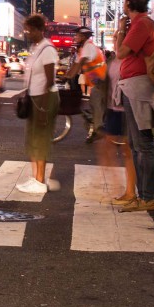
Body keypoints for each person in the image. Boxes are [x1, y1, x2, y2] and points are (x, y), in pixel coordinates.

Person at [114, 0, 154, 213]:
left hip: (139, 87)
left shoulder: (142, 24)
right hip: (132, 86)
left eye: (124, 0)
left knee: (143, 143)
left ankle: (148, 197)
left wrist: (122, 30)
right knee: (135, 144)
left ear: (130, 3)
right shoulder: (140, 23)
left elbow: (121, 53)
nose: (123, 4)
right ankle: (142, 195)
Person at [16, 13, 60, 195]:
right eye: (27, 30)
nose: (27, 33)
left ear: (39, 30)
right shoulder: (36, 48)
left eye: (30, 30)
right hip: (35, 98)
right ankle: (35, 178)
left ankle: (40, 180)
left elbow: (49, 80)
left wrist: (42, 108)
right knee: (32, 140)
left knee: (40, 140)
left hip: (45, 99)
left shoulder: (47, 49)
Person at [100, 51, 138, 206]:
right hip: (112, 107)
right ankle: (116, 183)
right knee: (108, 144)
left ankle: (130, 191)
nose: (117, 40)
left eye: (119, 36)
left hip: (127, 108)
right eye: (115, 37)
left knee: (128, 150)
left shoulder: (132, 59)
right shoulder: (111, 60)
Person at [67, 26, 107, 143]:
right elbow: (75, 65)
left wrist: (70, 75)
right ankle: (95, 129)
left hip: (102, 79)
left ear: (83, 37)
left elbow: (81, 62)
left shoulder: (88, 46)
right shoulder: (82, 48)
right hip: (95, 80)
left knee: (95, 102)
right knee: (90, 105)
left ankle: (99, 129)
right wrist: (66, 75)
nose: (75, 37)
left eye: (77, 35)